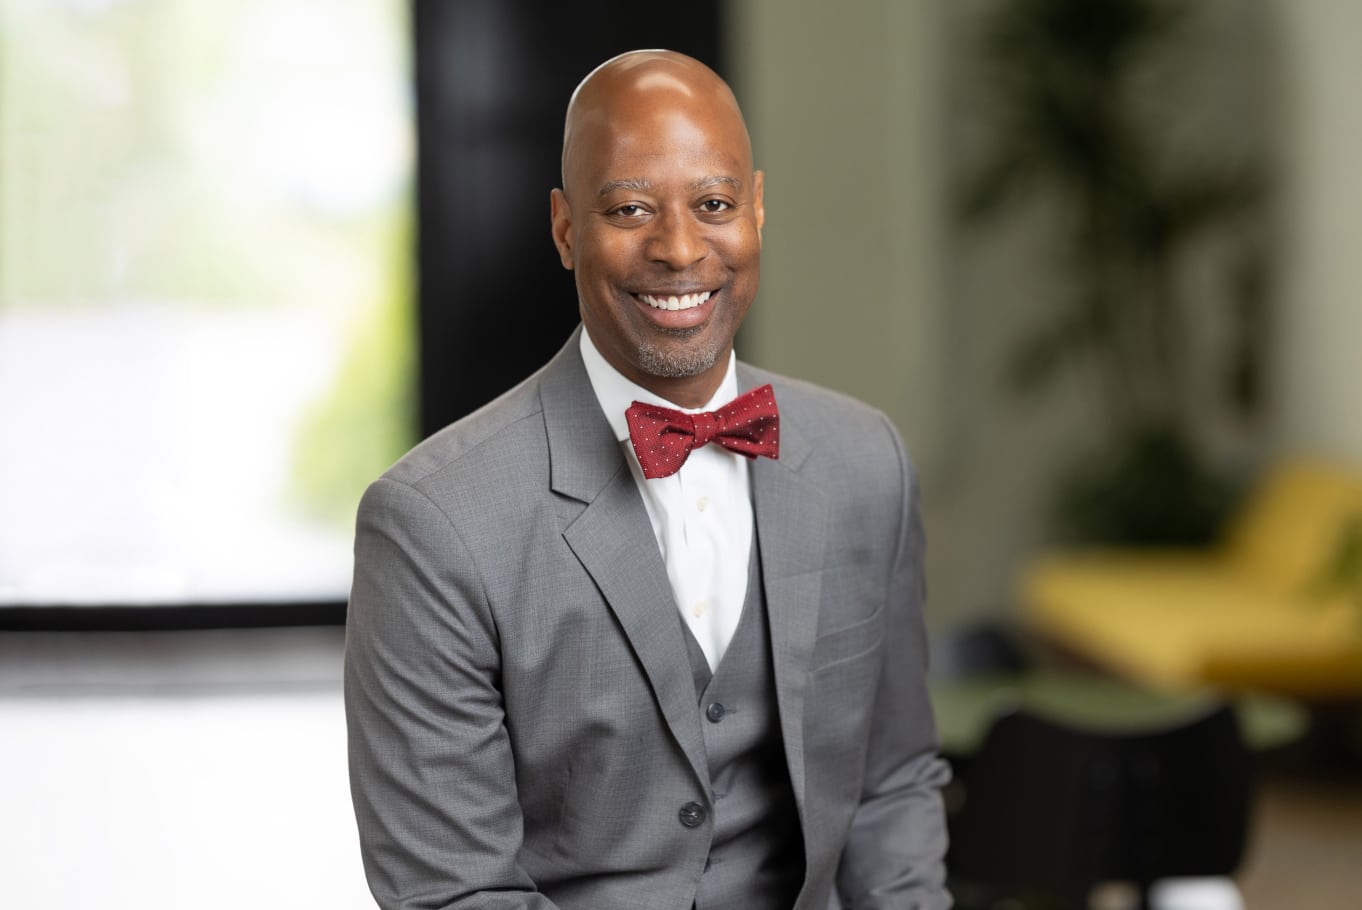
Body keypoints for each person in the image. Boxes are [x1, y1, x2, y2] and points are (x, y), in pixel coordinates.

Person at [345, 49, 951, 910]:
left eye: (713, 204)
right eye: (630, 208)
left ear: (758, 211)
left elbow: (892, 786)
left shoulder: (865, 463)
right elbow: (454, 892)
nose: (678, 248)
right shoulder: (432, 524)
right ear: (564, 229)